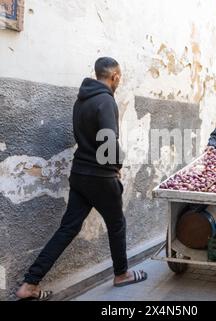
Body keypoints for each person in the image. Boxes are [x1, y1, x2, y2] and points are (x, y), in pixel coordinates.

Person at [16, 57, 147, 301]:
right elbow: (108, 139)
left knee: (67, 229)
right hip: (100, 175)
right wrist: (116, 166)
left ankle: (29, 283)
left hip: (80, 174)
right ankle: (122, 274)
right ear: (114, 77)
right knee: (116, 224)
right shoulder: (106, 100)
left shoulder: (81, 99)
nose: (119, 81)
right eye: (119, 77)